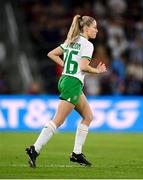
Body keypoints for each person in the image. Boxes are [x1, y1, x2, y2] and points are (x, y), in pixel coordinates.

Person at [26, 15, 107, 168]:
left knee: (88, 116)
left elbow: (51, 54)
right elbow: (83, 67)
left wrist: (66, 66)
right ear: (86, 28)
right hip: (73, 83)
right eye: (94, 27)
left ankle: (76, 154)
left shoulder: (72, 40)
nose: (96, 30)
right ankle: (34, 149)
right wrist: (97, 71)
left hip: (66, 80)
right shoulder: (87, 45)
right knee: (58, 120)